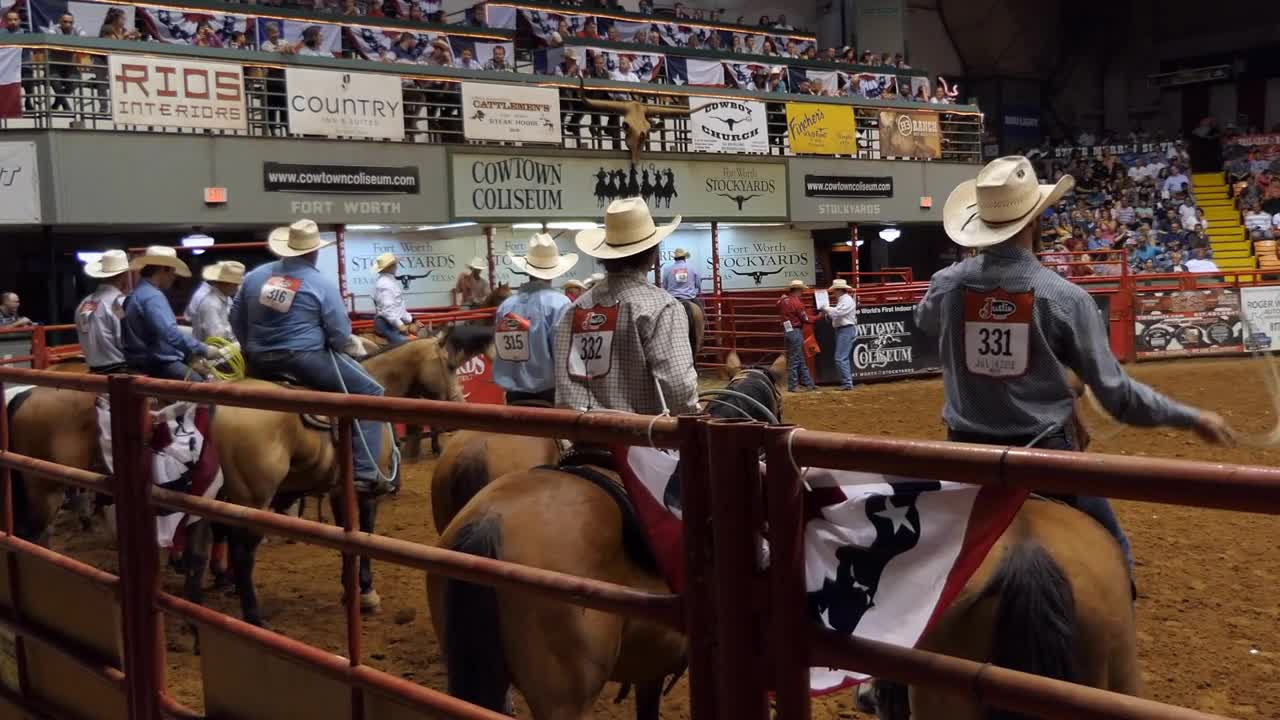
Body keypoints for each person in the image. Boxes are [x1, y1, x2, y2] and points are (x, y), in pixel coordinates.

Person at [916, 155, 1235, 571]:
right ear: (1034, 220)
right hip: (1042, 458)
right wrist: (1189, 417)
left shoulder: (948, 285)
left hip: (965, 455)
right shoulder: (1065, 298)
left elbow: (924, 321)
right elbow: (1117, 394)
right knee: (1114, 551)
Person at [230, 219, 389, 495]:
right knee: (372, 393)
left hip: (258, 361)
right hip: (303, 359)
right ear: (314, 251)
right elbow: (340, 335)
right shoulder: (320, 283)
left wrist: (251, 347)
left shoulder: (255, 277)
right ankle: (365, 471)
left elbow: (235, 317)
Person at [555, 198, 697, 415]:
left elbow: (565, 383)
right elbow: (678, 389)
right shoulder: (661, 307)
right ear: (653, 254)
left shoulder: (576, 308)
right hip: (641, 435)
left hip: (582, 433)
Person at [493, 234, 578, 406]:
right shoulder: (559, 304)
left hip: (513, 396)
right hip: (549, 396)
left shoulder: (505, 307)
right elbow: (566, 356)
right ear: (553, 271)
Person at [122, 246, 225, 381]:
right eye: (173, 271)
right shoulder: (153, 296)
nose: (174, 276)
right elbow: (171, 334)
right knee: (202, 388)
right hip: (157, 363)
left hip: (138, 360)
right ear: (165, 269)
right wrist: (204, 349)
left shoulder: (135, 294)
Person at [75, 250, 130, 374]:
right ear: (124, 275)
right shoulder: (119, 302)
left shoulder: (85, 303)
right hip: (119, 368)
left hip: (94, 368)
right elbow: (123, 339)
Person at [778, 279, 817, 392]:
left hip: (788, 330)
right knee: (796, 359)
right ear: (798, 290)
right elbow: (805, 318)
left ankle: (809, 383)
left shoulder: (783, 301)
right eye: (801, 290)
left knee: (798, 358)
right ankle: (793, 385)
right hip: (795, 331)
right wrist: (818, 317)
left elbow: (778, 304)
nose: (802, 293)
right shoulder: (797, 303)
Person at [371, 252, 417, 347]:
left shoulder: (387, 282)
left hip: (390, 324)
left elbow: (398, 307)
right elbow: (388, 310)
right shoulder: (385, 284)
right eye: (394, 264)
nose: (396, 266)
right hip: (387, 325)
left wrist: (412, 320)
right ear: (389, 267)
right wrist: (400, 325)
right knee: (409, 346)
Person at [191, 261, 244, 343]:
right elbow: (216, 336)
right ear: (226, 283)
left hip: (225, 346)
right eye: (236, 284)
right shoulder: (210, 303)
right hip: (211, 351)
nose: (237, 288)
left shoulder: (226, 298)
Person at [822, 279, 857, 390]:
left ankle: (847, 383)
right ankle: (847, 383)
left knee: (840, 358)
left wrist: (826, 308)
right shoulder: (845, 300)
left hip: (845, 329)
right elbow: (837, 313)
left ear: (838, 290)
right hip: (843, 329)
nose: (833, 293)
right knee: (842, 357)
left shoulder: (846, 300)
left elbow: (838, 313)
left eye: (834, 290)